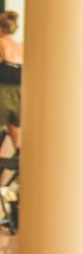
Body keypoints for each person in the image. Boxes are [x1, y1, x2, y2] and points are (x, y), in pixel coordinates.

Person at [0, 10, 24, 151]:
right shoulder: (20, 46)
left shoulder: (1, 43)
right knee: (14, 125)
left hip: (3, 90)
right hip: (19, 91)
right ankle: (18, 152)